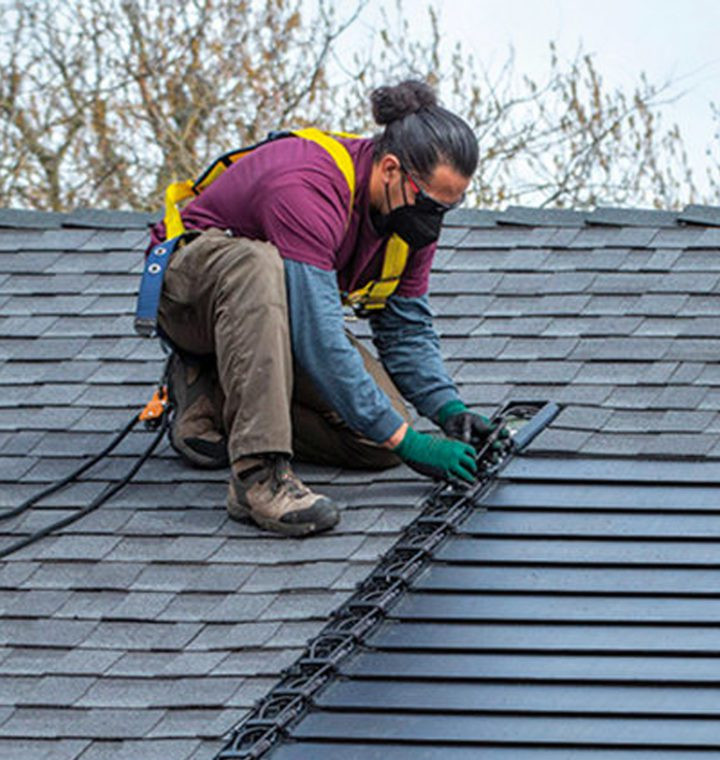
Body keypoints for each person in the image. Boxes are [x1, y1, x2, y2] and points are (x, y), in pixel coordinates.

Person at [149, 79, 497, 538]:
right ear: (390, 169)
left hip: (274, 318)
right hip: (191, 294)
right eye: (431, 203)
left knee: (380, 441)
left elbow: (406, 331)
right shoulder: (308, 183)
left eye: (449, 209)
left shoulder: (406, 223)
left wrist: (447, 409)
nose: (435, 221)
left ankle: (214, 396)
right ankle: (259, 476)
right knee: (258, 263)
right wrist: (412, 442)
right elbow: (319, 338)